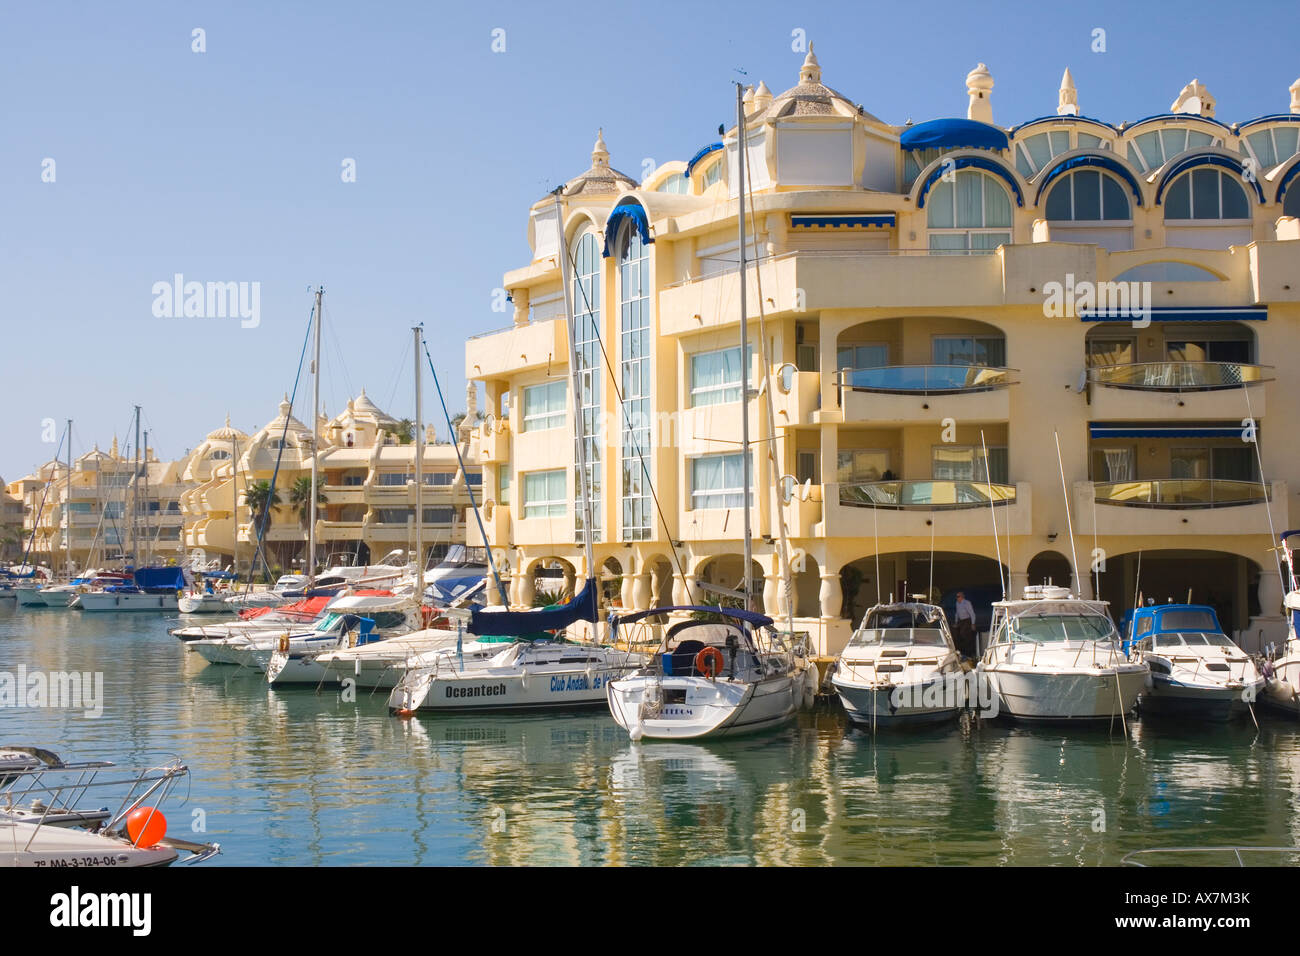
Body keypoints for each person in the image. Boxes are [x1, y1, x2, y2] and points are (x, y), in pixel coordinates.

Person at [953, 590, 977, 658]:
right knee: (956, 632)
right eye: (956, 596)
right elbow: (957, 613)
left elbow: (972, 613)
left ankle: (968, 651)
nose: (957, 598)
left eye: (958, 596)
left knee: (964, 633)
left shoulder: (967, 603)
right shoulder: (957, 603)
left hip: (967, 620)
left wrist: (973, 623)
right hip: (961, 621)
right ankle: (960, 650)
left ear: (962, 597)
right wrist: (956, 622)